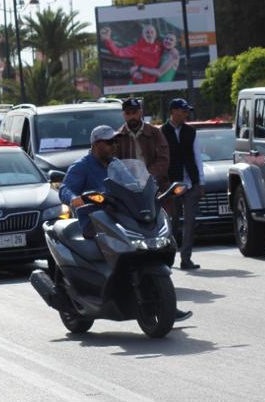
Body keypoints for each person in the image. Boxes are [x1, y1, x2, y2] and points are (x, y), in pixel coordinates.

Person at [62, 123, 191, 322]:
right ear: (96, 144)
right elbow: (65, 189)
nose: (114, 145)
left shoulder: (117, 165)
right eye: (109, 142)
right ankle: (101, 289)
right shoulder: (81, 167)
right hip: (95, 220)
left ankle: (161, 300)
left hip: (121, 215)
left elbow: (133, 183)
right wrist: (74, 199)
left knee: (154, 244)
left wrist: (148, 190)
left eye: (115, 141)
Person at [161, 98, 204, 271]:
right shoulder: (162, 132)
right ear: (174, 111)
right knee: (172, 223)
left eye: (187, 111)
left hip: (190, 184)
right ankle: (167, 258)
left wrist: (200, 182)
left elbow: (197, 157)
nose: (186, 114)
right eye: (183, 111)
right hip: (172, 185)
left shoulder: (191, 132)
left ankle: (186, 259)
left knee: (190, 222)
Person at [114, 98, 170, 191]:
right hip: (129, 187)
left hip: (156, 185)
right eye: (128, 113)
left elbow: (164, 159)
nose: (132, 116)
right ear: (124, 115)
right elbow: (115, 163)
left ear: (140, 112)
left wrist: (147, 175)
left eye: (134, 112)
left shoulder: (155, 132)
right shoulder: (118, 136)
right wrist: (128, 179)